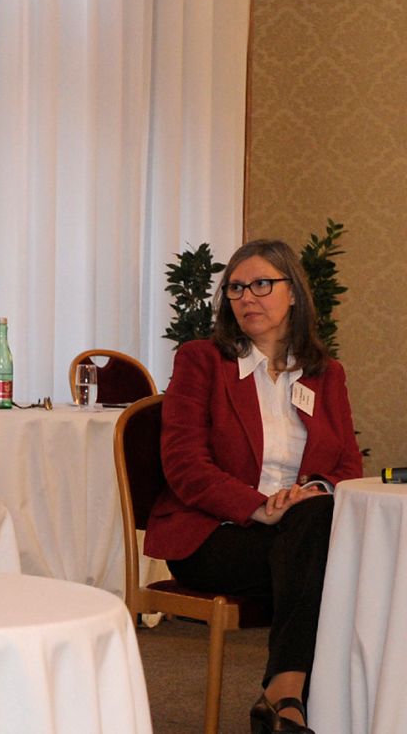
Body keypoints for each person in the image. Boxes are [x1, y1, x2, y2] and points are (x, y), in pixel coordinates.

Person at [144, 239, 362, 734]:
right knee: (334, 566)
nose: (247, 297)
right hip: (215, 534)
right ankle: (289, 698)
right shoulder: (202, 361)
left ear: (294, 295)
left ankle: (282, 696)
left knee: (316, 521)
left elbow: (348, 466)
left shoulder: (327, 376)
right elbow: (183, 465)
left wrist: (309, 493)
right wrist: (261, 507)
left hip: (300, 533)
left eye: (262, 284)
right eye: (236, 288)